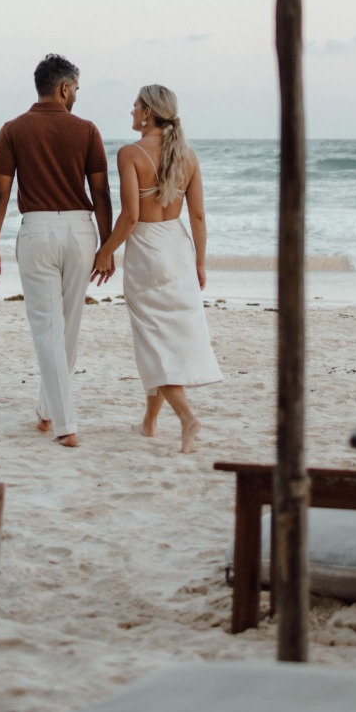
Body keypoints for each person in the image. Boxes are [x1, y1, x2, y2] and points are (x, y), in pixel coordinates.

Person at [0, 54, 114, 448]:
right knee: (67, 328)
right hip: (80, 231)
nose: (76, 95)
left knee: (48, 329)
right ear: (63, 88)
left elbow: (0, 193)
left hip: (37, 231)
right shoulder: (87, 130)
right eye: (75, 88)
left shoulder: (11, 130)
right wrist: (107, 246)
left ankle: (58, 418)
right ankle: (55, 416)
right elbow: (102, 192)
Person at [92, 83, 221, 452]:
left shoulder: (130, 154)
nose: (132, 111)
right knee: (167, 339)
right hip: (178, 247)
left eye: (135, 106)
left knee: (153, 342)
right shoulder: (188, 155)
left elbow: (131, 216)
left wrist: (106, 252)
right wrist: (199, 261)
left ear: (148, 112)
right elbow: (197, 215)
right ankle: (149, 423)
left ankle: (187, 418)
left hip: (148, 250)